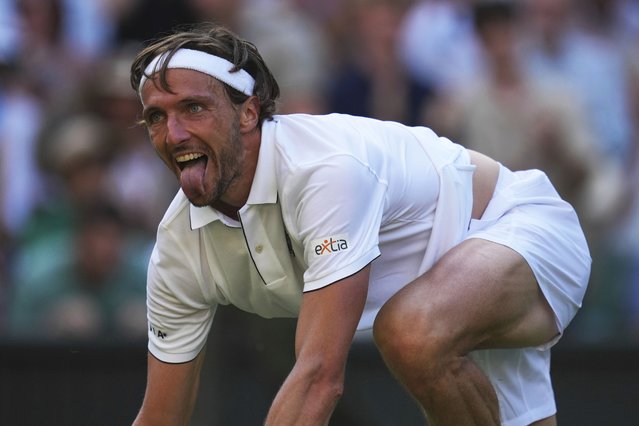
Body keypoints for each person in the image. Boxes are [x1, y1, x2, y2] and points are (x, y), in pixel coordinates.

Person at [129, 23, 591, 425]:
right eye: (156, 117)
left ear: (249, 112)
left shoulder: (324, 171)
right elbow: (161, 417)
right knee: (417, 331)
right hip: (446, 288)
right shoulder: (177, 249)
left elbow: (319, 377)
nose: (173, 134)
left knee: (411, 333)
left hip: (517, 227)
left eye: (193, 108)